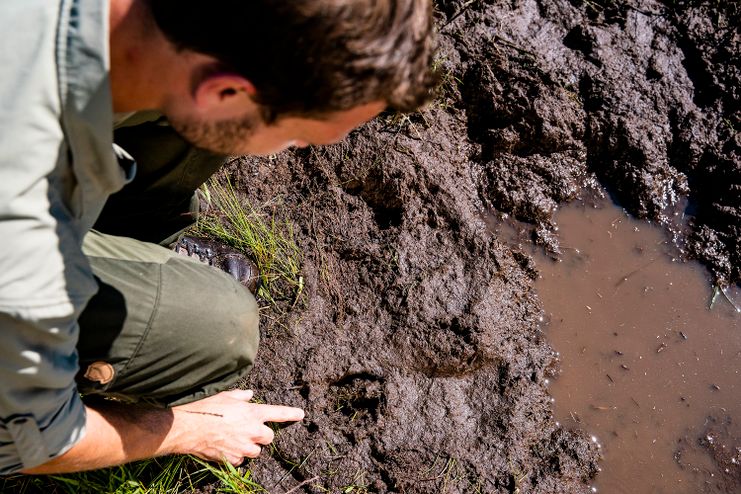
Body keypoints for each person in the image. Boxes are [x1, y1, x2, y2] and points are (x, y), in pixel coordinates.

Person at [0, 0, 436, 476]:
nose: (297, 148)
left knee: (191, 121)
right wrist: (183, 428)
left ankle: (124, 242)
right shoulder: (21, 223)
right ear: (223, 90)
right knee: (219, 328)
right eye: (298, 137)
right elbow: (31, 439)